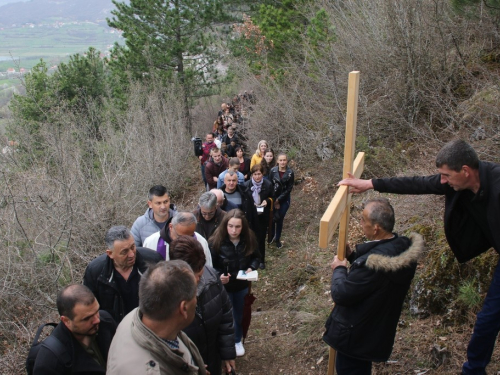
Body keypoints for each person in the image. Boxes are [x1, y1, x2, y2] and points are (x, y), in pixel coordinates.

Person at [337, 139, 500, 375]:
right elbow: (417, 183)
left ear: (465, 171)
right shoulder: (456, 183)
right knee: (487, 320)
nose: (442, 181)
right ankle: (474, 370)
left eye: (445, 175)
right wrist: (370, 184)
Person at [323, 198, 423, 374]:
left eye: (363, 220)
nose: (360, 223)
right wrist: (353, 257)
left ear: (376, 228)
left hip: (354, 335)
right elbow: (373, 280)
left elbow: (341, 293)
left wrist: (339, 269)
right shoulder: (399, 248)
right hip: (371, 332)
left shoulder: (372, 265)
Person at [107, 260, 207, 375]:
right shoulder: (145, 371)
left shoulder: (135, 318)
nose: (196, 300)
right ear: (183, 308)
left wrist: (191, 364)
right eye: (195, 296)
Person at [170, 236, 236, 375]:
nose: (199, 279)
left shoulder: (211, 277)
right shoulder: (164, 294)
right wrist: (189, 366)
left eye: (200, 274)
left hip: (213, 360)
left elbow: (225, 316)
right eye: (194, 275)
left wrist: (227, 353)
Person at [83, 226, 163, 323]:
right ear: (110, 254)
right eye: (124, 252)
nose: (131, 254)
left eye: (133, 247)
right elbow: (91, 309)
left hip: (149, 327)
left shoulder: (153, 261)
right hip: (114, 331)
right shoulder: (96, 272)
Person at [209, 209, 260, 357]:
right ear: (225, 225)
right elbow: (209, 264)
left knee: (238, 313)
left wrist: (252, 267)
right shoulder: (215, 241)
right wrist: (219, 276)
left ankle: (237, 340)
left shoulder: (249, 238)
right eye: (231, 226)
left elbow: (257, 257)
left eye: (237, 227)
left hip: (241, 285)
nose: (234, 230)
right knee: (225, 315)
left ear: (243, 227)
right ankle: (225, 342)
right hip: (223, 286)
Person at [33, 284, 116, 375]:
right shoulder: (50, 361)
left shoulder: (106, 322)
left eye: (97, 311)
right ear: (66, 321)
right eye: (87, 318)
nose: (97, 320)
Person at [143, 211, 213, 267]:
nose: (185, 241)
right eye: (180, 236)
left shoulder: (201, 242)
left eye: (190, 236)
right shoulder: (151, 242)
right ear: (171, 227)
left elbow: (207, 270)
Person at [245, 163, 273, 269]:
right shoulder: (247, 185)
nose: (257, 176)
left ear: (263, 174)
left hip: (262, 215)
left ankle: (261, 259)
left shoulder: (268, 184)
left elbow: (272, 197)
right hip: (250, 215)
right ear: (252, 175)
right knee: (250, 237)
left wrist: (267, 201)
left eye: (259, 174)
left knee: (261, 238)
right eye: (255, 174)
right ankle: (250, 258)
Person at [269, 153, 294, 249]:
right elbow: (270, 185)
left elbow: (289, 189)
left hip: (284, 199)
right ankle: (271, 236)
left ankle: (277, 239)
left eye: (284, 160)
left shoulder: (290, 172)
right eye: (281, 160)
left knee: (280, 218)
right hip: (274, 198)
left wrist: (279, 200)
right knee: (272, 217)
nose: (282, 162)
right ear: (277, 161)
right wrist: (274, 200)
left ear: (286, 161)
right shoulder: (273, 171)